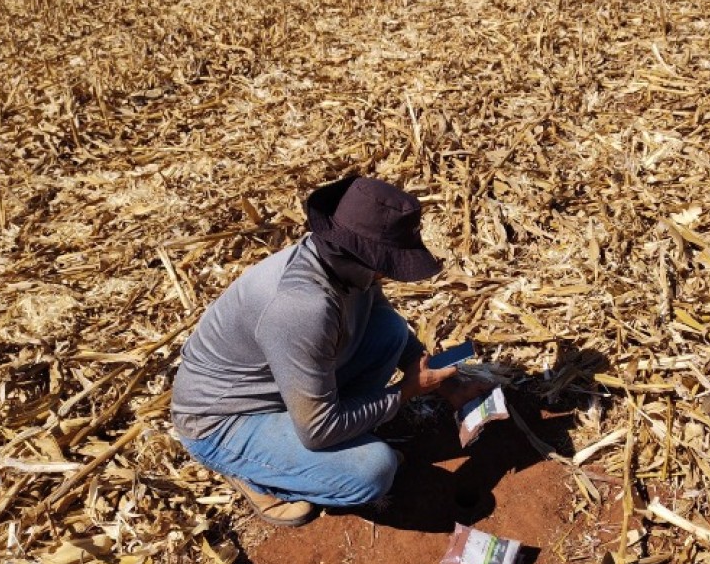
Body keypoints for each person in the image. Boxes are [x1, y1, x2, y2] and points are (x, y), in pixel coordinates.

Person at [171, 176, 485, 526]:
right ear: (360, 255)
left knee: (390, 331)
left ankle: (322, 441)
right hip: (223, 421)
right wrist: (406, 391)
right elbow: (318, 429)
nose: (387, 274)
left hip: (286, 390)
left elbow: (383, 319)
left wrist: (448, 385)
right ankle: (256, 474)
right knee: (374, 471)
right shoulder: (302, 307)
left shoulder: (339, 263)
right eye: (387, 264)